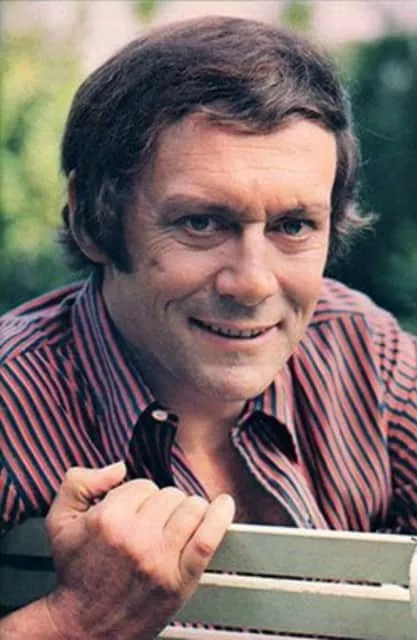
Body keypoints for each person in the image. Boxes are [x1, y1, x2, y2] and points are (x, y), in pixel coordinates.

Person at [1, 14, 416, 639]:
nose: (252, 283)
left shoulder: (367, 355)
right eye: (201, 223)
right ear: (92, 221)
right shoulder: (10, 408)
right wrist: (76, 621)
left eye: (294, 226)